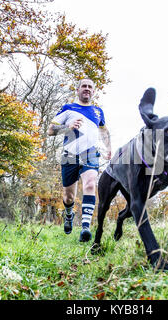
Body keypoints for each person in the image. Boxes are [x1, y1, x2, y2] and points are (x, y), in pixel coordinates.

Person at [47, 78, 111, 242]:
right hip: (69, 154)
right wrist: (67, 127)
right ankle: (69, 214)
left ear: (93, 91)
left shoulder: (98, 112)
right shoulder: (68, 109)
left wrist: (108, 148)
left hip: (90, 153)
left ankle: (85, 228)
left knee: (90, 183)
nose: (87, 89)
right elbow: (51, 130)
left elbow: (104, 131)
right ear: (78, 90)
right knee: (69, 196)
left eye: (90, 87)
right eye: (84, 86)